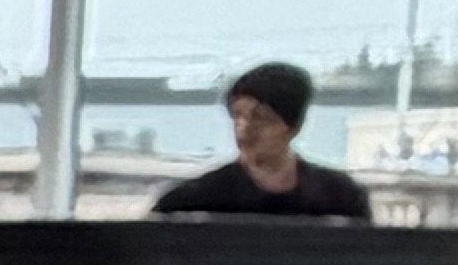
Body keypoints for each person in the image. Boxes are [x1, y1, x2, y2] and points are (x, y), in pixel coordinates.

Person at [149, 60, 374, 221]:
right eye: (238, 115)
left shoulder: (341, 196)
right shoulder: (191, 200)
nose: (245, 128)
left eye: (261, 118)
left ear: (292, 127)